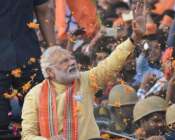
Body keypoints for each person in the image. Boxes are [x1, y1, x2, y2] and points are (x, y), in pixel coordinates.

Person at [21, 2, 147, 139]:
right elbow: (27, 135)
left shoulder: (86, 80)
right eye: (64, 61)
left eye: (71, 58)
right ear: (50, 72)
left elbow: (111, 63)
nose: (72, 62)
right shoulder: (35, 95)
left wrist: (135, 37)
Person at [0, 0, 55, 134]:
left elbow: (44, 10)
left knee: (43, 118)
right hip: (21, 54)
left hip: (27, 56)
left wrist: (54, 49)